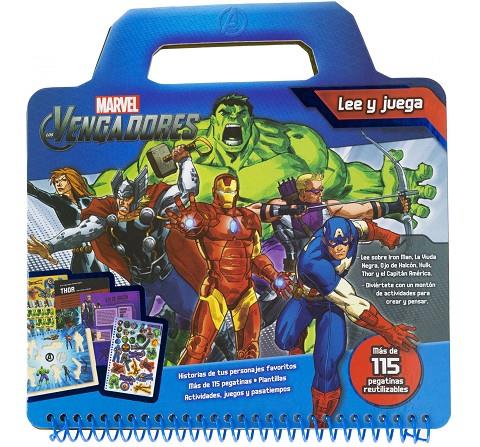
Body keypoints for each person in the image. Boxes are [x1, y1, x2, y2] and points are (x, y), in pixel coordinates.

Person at [275, 217, 417, 427]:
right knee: (283, 339)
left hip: (330, 305)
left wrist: (385, 236)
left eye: (344, 243)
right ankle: (298, 338)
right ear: (325, 241)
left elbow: (366, 228)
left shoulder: (352, 230)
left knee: (327, 363)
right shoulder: (313, 262)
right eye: (334, 244)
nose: (340, 249)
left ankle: (321, 417)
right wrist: (388, 330)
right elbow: (352, 304)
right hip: (307, 299)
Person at [166, 173, 293, 363]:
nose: (227, 195)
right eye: (222, 191)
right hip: (216, 290)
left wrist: (274, 276)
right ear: (214, 192)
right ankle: (180, 382)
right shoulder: (206, 214)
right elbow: (195, 226)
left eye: (230, 191)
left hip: (245, 292)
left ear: (237, 192)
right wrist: (189, 224)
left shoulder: (248, 219)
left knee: (250, 351)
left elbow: (255, 257)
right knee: (198, 346)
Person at [28, 167, 107, 273]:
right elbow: (36, 192)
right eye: (56, 182)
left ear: (72, 181)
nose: (59, 184)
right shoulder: (57, 201)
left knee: (105, 280)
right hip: (79, 255)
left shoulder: (87, 201)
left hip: (98, 255)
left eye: (63, 180)